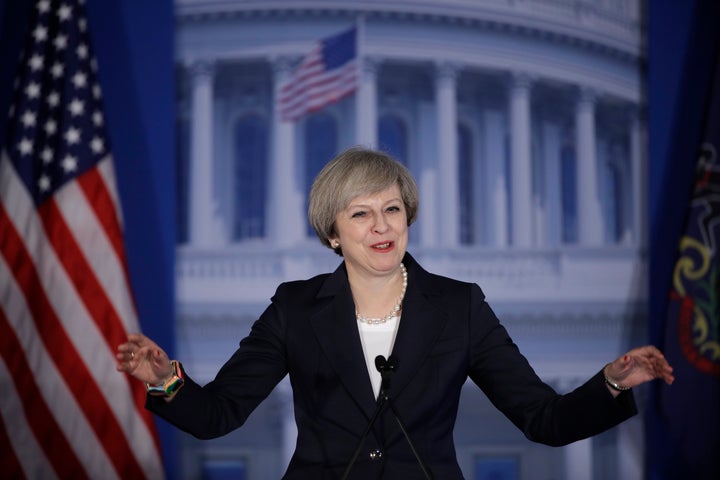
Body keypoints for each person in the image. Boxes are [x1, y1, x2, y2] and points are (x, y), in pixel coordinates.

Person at [117, 147, 674, 479]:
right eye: (361, 214)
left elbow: (543, 420)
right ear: (333, 235)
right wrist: (166, 381)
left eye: (392, 209)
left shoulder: (460, 305)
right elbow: (220, 414)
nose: (382, 226)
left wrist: (611, 383)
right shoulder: (295, 306)